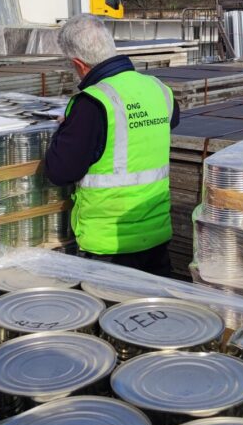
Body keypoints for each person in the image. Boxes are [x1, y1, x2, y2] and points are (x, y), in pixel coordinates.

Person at [45, 14, 179, 277]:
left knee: (113, 315)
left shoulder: (92, 104)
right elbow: (163, 124)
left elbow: (59, 172)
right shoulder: (158, 88)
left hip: (110, 245)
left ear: (78, 64)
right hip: (157, 234)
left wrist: (67, 127)